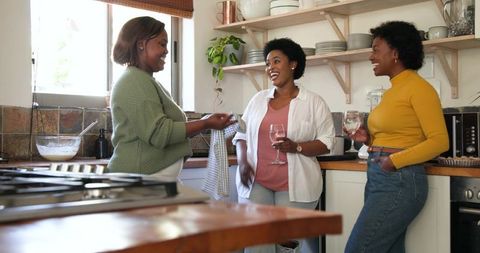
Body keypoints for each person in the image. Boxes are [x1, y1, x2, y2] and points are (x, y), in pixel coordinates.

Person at [345, 21, 449, 253]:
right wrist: (368, 139)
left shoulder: (419, 88)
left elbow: (440, 141)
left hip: (399, 178)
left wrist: (393, 161)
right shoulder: (394, 90)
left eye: (375, 49)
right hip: (382, 174)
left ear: (395, 53)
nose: (371, 56)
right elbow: (396, 136)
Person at [233, 38, 335, 253]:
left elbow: (327, 142)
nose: (270, 68)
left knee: (284, 246)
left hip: (296, 188)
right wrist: (243, 163)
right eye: (268, 63)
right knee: (257, 244)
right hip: (256, 183)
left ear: (293, 64)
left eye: (276, 61)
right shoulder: (258, 100)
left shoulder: (314, 102)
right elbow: (241, 135)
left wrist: (296, 147)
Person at [108, 16, 234, 178]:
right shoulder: (134, 80)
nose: (167, 50)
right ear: (141, 44)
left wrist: (207, 122)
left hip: (150, 180)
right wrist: (205, 123)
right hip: (139, 181)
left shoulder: (144, 79)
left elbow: (168, 130)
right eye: (162, 44)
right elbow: (160, 133)